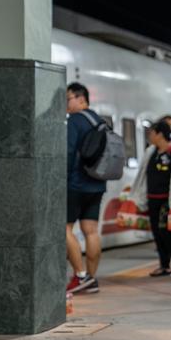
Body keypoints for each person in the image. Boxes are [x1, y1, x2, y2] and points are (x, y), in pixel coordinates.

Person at [131, 121, 171, 277]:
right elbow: (142, 175)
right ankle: (164, 264)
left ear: (159, 134)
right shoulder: (151, 152)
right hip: (152, 198)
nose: (149, 136)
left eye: (151, 133)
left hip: (170, 199)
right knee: (156, 232)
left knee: (167, 232)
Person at [65, 82, 106, 294]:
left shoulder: (75, 120)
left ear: (81, 98)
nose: (66, 104)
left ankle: (80, 275)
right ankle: (91, 278)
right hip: (97, 184)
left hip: (76, 183)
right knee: (91, 231)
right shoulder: (99, 121)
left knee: (64, 229)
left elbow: (69, 151)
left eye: (68, 99)